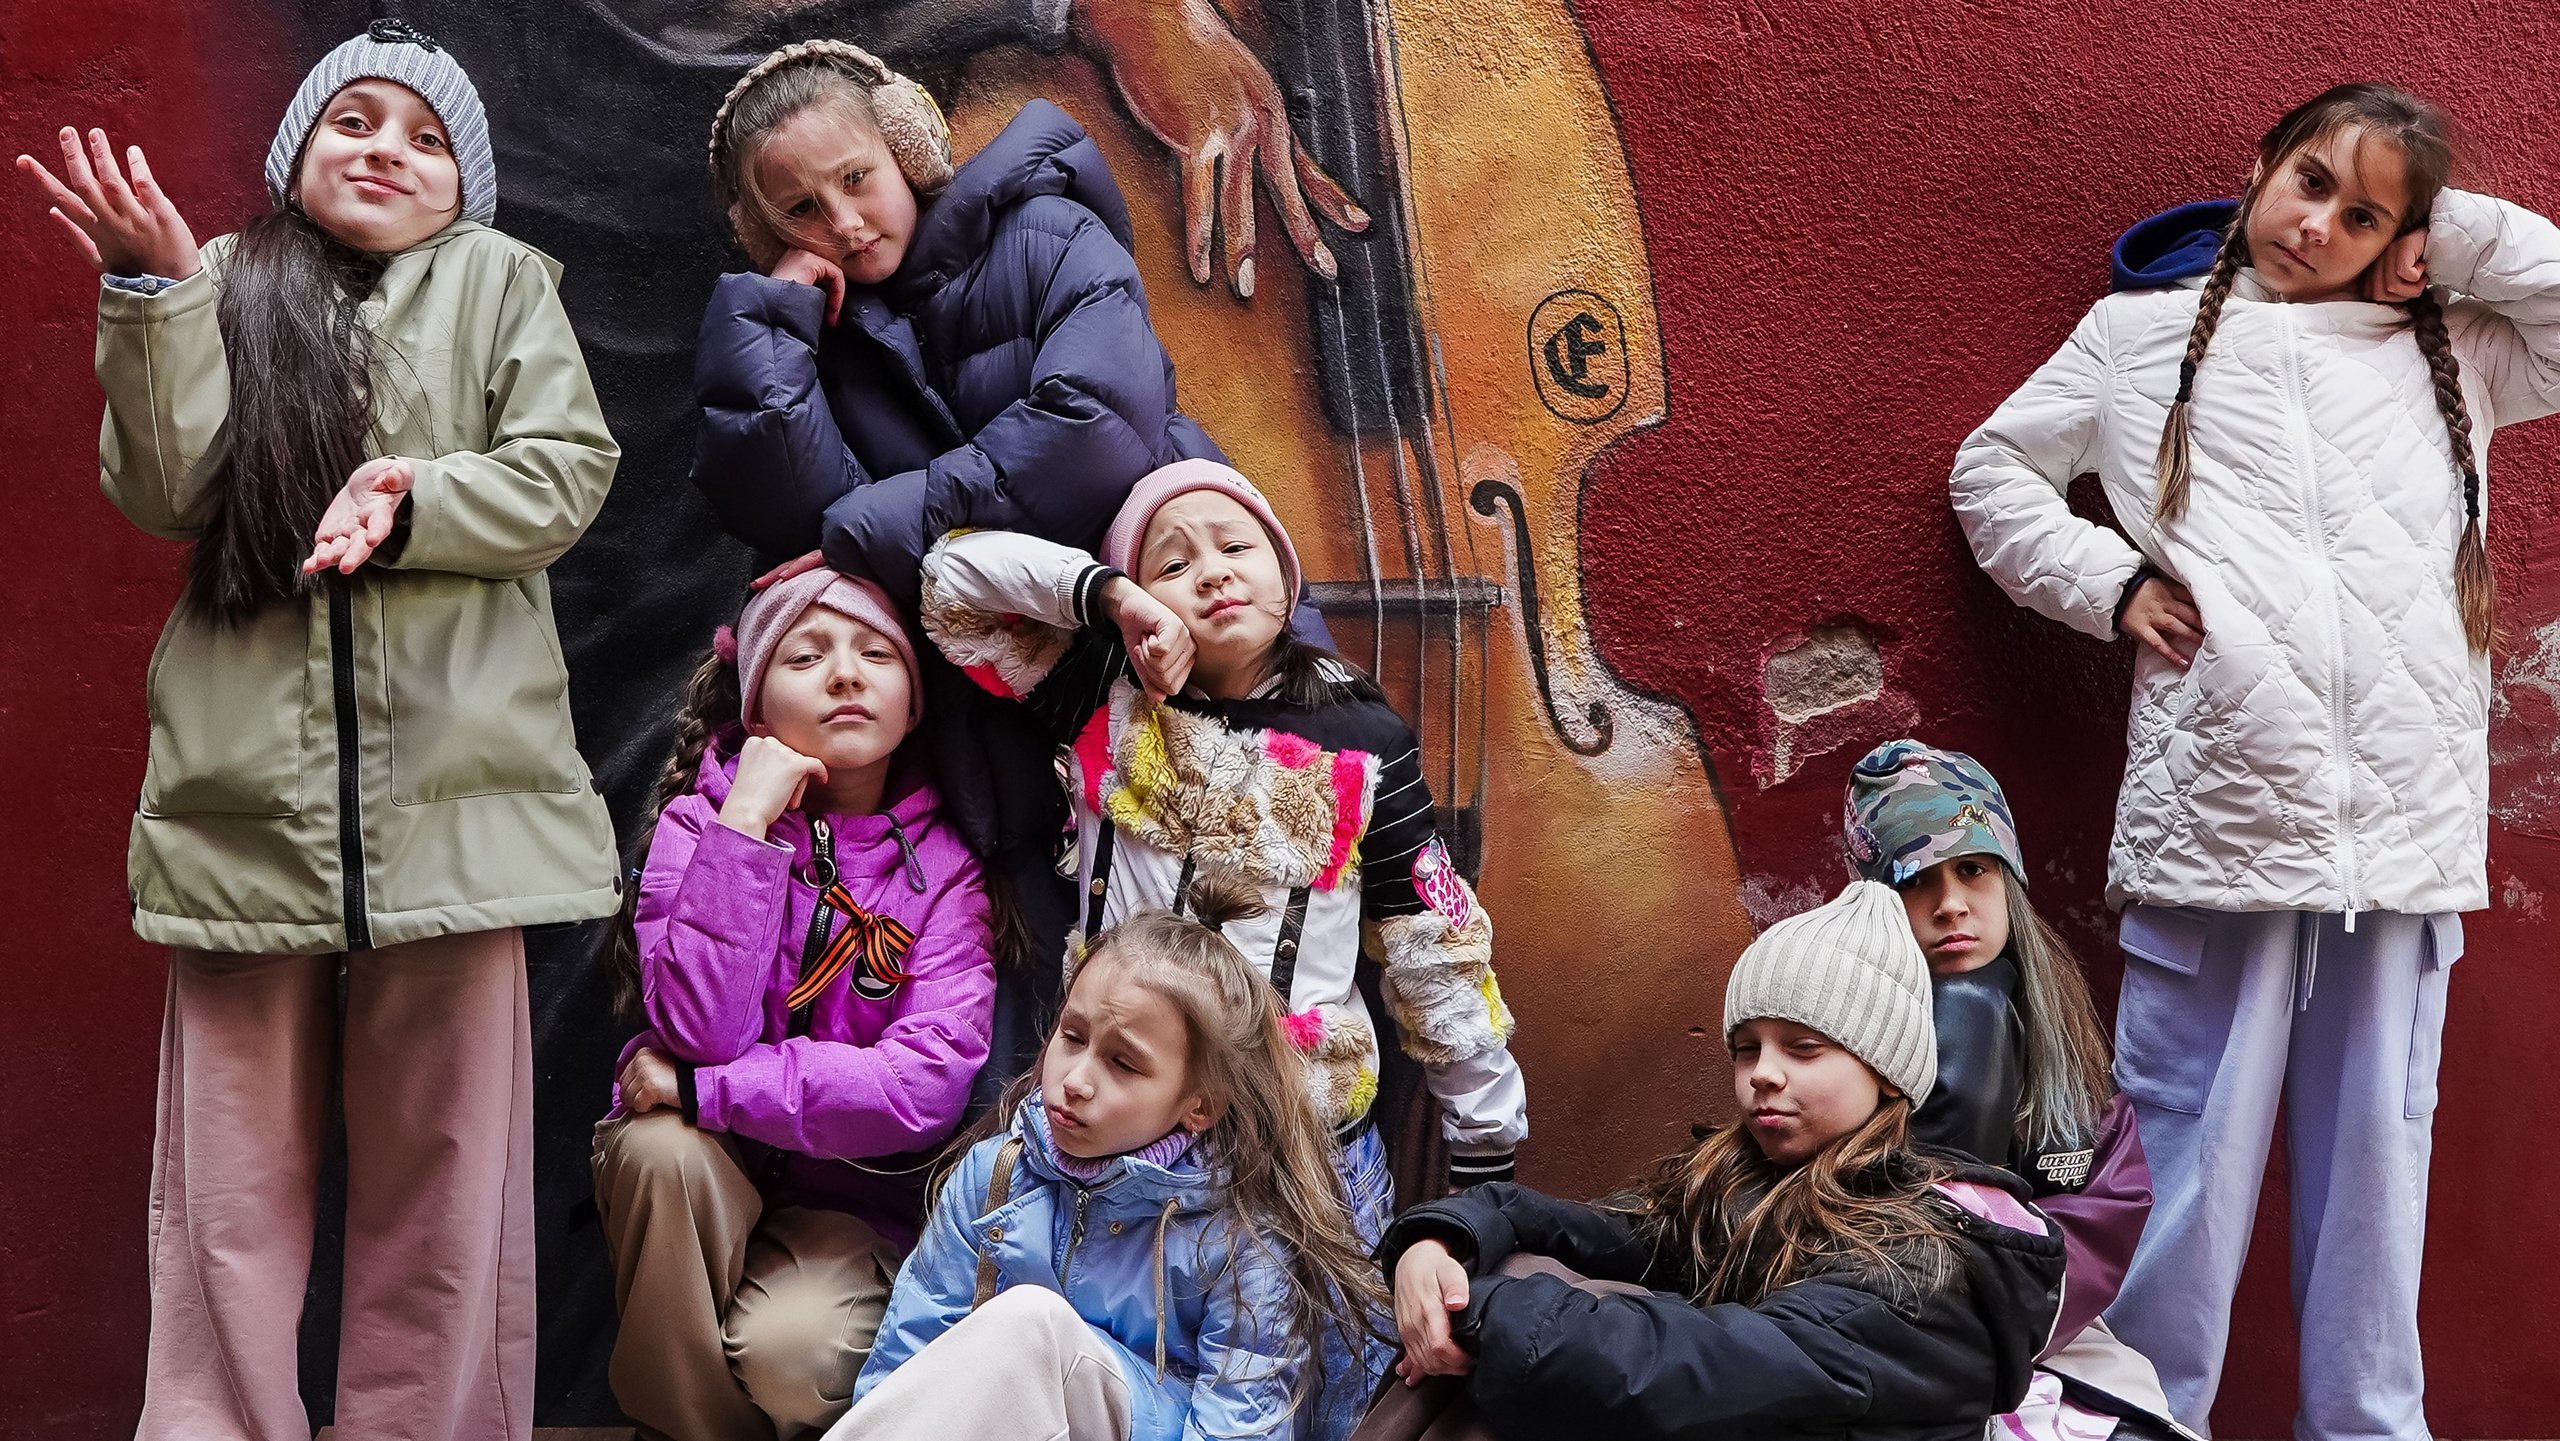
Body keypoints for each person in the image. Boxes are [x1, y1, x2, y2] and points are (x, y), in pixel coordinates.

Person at [15, 20, 619, 1438]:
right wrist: (156, 293)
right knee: (225, 1197)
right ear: (296, 152)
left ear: (465, 184)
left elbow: (565, 472)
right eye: (354, 121)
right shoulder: (225, 280)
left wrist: (413, 499)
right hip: (247, 815)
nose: (386, 150)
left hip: (461, 816)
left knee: (447, 1186)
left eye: (426, 138)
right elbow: (165, 488)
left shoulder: (502, 283)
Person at [1949, 82, 2560, 1438]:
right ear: (2261, 166)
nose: (2320, 224)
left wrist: (2444, 237)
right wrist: (2110, 586)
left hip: (2401, 833)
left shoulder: (2452, 347)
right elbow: (1992, 472)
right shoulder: (2136, 337)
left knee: (2380, 1160)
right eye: (2310, 181)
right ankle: (2143, 1414)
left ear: (2402, 240)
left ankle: (2368, 1421)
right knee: (2184, 1147)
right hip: (2217, 818)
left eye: (2366, 216)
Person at [689, 41, 1305, 1091]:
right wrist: (774, 323)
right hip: (1005, 740)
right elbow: (790, 519)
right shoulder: (819, 339)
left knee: (1243, 1002)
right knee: (1069, 1044)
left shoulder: (1046, 230)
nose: (844, 222)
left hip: (1181, 669)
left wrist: (876, 523)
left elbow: (1091, 434)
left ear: (906, 147)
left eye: (856, 179)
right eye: (800, 211)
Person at [914, 458, 1527, 1434]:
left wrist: (1484, 1167)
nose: (1211, 571)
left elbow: (1437, 953)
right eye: (1171, 562)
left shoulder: (1362, 738)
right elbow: (952, 586)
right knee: (1092, 1382)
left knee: (1289, 1412)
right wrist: (1106, 599)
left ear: (1284, 574)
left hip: (1296, 1161)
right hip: (1114, 1146)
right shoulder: (1103, 693)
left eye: (1237, 545)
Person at [1371, 881, 2063, 1441]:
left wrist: (1470, 1311)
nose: (1763, 1073)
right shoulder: (1751, 1180)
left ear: (1886, 1074)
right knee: (1521, 1270)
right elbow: (1604, 1229)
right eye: (1747, 1047)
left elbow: (1691, 1368)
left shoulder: (1917, 1266)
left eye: (1803, 1047)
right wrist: (1444, 1238)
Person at [591, 568, 996, 1440]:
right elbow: (698, 1028)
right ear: (756, 705)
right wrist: (744, 822)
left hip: (849, 1209)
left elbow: (922, 1085)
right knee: (657, 1148)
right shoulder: (700, 824)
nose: (845, 674)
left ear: (914, 704)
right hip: (707, 1177)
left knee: (797, 1356)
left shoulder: (947, 870)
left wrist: (709, 1089)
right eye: (806, 657)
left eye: (875, 654)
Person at [831, 878, 1389, 1441]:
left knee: (1032, 1325)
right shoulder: (994, 1174)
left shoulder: (1241, 1239)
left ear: (1200, 1104)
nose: (1075, 1080)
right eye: (1072, 1037)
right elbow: (907, 1365)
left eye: (1123, 1064)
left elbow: (1239, 1428)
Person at [1845, 740, 2186, 1438]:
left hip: (2047, 1341)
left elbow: (2100, 1223)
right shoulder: (1831, 1047)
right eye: (1915, 880)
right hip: (1874, 1331)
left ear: (2010, 883)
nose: (1951, 905)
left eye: (1973, 869)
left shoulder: (2073, 1070)